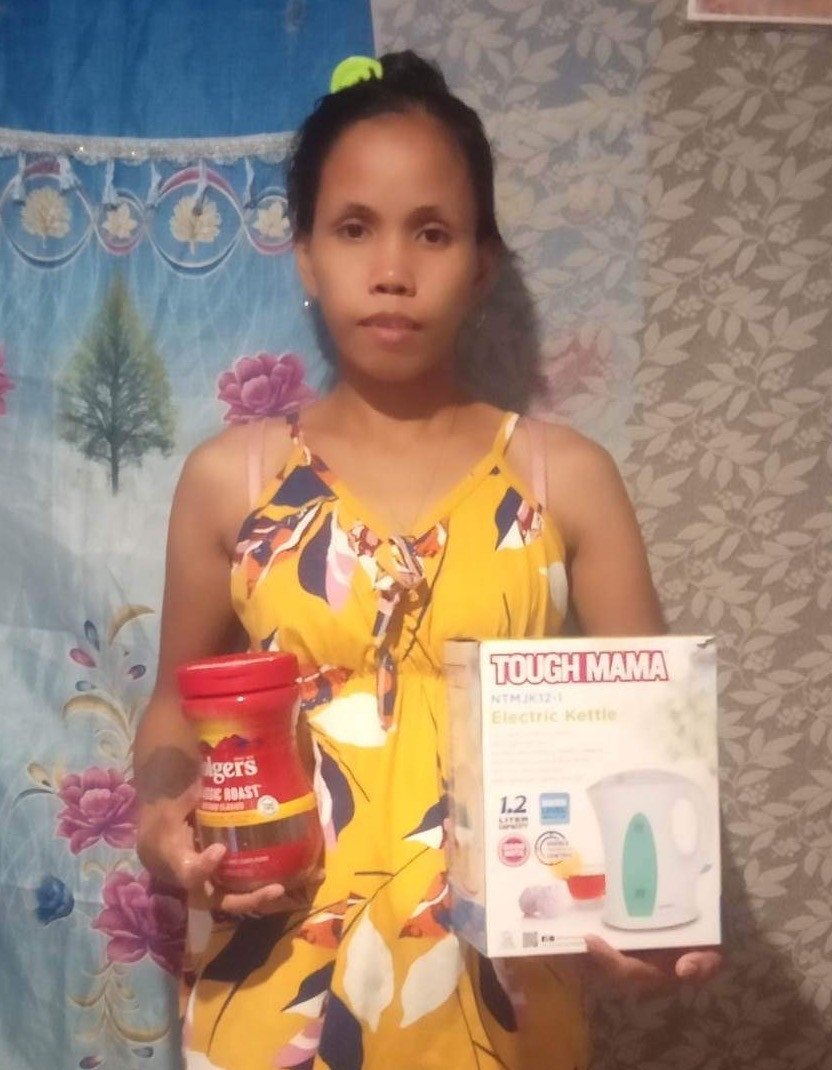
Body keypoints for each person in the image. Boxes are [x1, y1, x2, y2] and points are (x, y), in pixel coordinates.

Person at [135, 50, 720, 1070]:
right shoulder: (232, 480)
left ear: (482, 263)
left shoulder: (567, 478)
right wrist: (160, 817)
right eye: (354, 227)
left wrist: (657, 916)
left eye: (433, 232)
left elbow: (650, 736)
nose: (393, 268)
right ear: (305, 255)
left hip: (503, 1008)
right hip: (274, 1002)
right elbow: (172, 710)